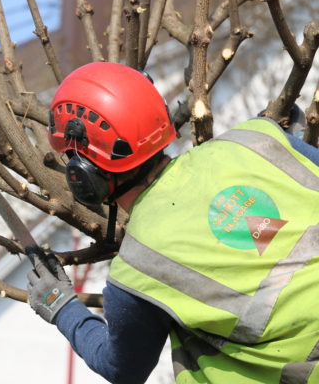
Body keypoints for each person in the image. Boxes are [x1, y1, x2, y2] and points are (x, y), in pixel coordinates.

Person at [26, 62, 319, 384]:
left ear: (84, 174)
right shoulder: (257, 137)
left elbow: (123, 369)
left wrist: (62, 306)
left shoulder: (138, 267)